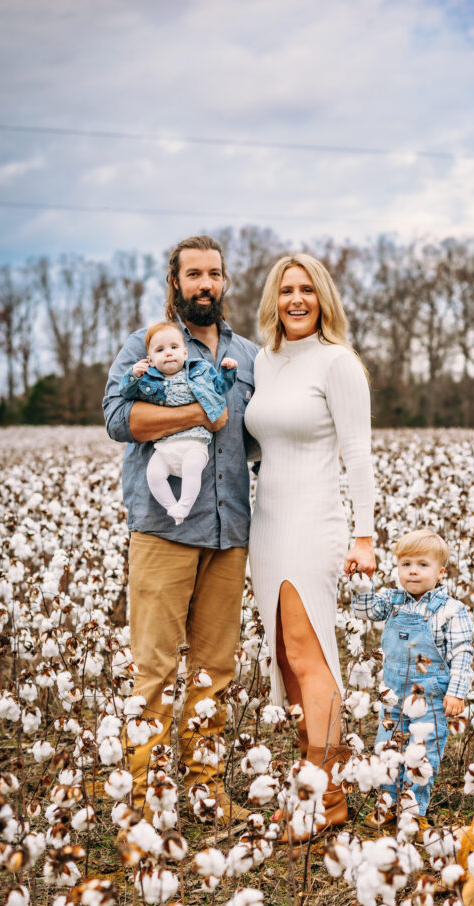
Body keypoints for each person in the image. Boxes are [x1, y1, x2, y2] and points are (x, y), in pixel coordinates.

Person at [103, 235, 258, 826]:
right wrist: (198, 411)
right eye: (194, 274)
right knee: (155, 669)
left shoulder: (247, 355)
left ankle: (205, 790)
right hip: (164, 527)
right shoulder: (147, 343)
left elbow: (257, 437)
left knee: (216, 670)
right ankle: (141, 799)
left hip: (229, 530)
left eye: (214, 274)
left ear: (224, 282)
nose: (205, 285)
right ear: (176, 283)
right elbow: (120, 419)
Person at [244, 253, 376, 842]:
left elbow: (358, 453)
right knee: (289, 668)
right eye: (286, 290)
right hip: (267, 523)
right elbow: (257, 443)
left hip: (313, 521)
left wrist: (366, 534)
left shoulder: (337, 363)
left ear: (323, 298)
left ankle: (318, 796)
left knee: (309, 655)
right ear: (273, 300)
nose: (296, 299)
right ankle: (325, 790)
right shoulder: (264, 363)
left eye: (307, 290)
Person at [350, 528, 474, 831]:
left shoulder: (451, 610)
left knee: (423, 750)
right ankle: (388, 804)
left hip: (430, 695)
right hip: (393, 693)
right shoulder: (391, 601)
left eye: (422, 564)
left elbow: (462, 653)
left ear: (440, 572)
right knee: (387, 745)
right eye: (405, 564)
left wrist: (456, 693)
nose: (413, 571)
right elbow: (365, 609)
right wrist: (360, 582)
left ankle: (413, 809)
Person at [119, 320, 238, 525]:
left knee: (192, 468)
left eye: (174, 347)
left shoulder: (199, 372)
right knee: (154, 474)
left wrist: (227, 372)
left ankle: (185, 504)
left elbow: (220, 387)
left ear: (185, 353)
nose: (168, 353)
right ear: (151, 360)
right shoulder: (148, 382)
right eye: (160, 350)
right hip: (165, 446)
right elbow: (127, 394)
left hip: (194, 443)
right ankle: (172, 508)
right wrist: (133, 376)